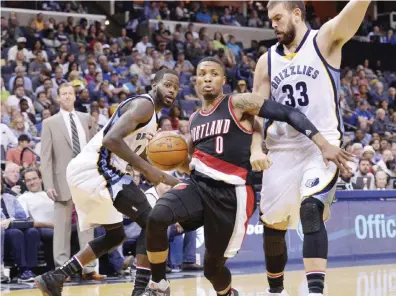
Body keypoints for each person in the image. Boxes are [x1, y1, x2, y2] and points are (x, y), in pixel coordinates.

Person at [140, 57, 351, 296]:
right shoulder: (194, 119)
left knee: (212, 268)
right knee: (156, 217)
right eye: (202, 74)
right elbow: (191, 165)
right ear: (195, 81)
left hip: (231, 195)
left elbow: (287, 112)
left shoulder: (238, 103)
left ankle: (228, 293)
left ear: (223, 80)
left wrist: (322, 143)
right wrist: (161, 156)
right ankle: (159, 285)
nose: (207, 78)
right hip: (198, 186)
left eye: (213, 73)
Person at [252, 1, 371, 295]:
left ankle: (315, 290)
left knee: (310, 209)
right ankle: (275, 290)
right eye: (270, 20)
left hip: (321, 147)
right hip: (280, 149)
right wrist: (256, 148)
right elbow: (255, 111)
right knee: (273, 224)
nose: (274, 25)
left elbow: (349, 16)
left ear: (296, 14)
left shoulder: (324, 39)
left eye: (278, 18)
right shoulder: (266, 61)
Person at [35, 69, 182, 296]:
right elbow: (111, 140)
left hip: (93, 171)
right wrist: (149, 171)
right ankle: (141, 290)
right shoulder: (145, 105)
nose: (171, 90)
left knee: (116, 236)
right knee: (153, 221)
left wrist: (170, 177)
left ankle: (55, 277)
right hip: (96, 168)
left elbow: (139, 155)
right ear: (154, 84)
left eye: (175, 87)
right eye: (167, 84)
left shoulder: (151, 120)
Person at [40, 83, 101, 281]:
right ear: (58, 98)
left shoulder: (86, 119)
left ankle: (89, 267)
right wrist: (48, 184)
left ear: (75, 97)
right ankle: (63, 269)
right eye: (63, 94)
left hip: (85, 178)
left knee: (87, 226)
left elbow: (95, 149)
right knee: (62, 228)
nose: (66, 97)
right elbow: (46, 157)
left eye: (70, 94)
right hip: (61, 180)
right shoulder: (49, 123)